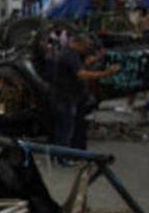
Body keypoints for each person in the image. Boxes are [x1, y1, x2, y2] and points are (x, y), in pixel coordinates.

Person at [50, 34, 120, 164]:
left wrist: (97, 58)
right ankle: (63, 158)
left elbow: (82, 65)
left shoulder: (69, 54)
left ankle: (58, 156)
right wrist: (105, 74)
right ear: (79, 44)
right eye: (85, 47)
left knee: (63, 130)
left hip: (64, 97)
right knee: (66, 130)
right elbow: (81, 74)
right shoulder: (70, 55)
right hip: (66, 98)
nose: (86, 50)